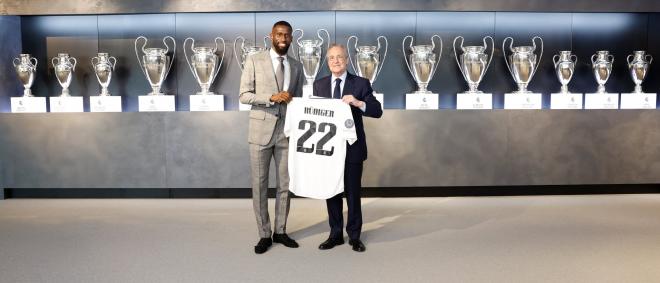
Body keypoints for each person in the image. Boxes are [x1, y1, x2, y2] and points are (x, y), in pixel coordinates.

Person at [239, 20, 304, 254]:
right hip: (260, 133)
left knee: (285, 186)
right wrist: (271, 97)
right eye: (279, 34)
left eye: (286, 35)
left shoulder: (296, 66)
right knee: (260, 185)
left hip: (287, 133)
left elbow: (297, 101)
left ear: (292, 38)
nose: (283, 38)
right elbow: (244, 95)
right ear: (271, 36)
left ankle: (281, 231)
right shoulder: (254, 60)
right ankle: (264, 234)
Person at [312, 43, 383, 252]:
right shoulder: (319, 85)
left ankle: (354, 236)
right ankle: (335, 235)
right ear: (327, 61)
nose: (335, 60)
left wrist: (359, 103)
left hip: (352, 148)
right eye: (332, 57)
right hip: (328, 149)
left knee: (353, 193)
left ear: (347, 60)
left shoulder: (361, 83)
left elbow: (377, 111)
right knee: (331, 192)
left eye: (340, 57)